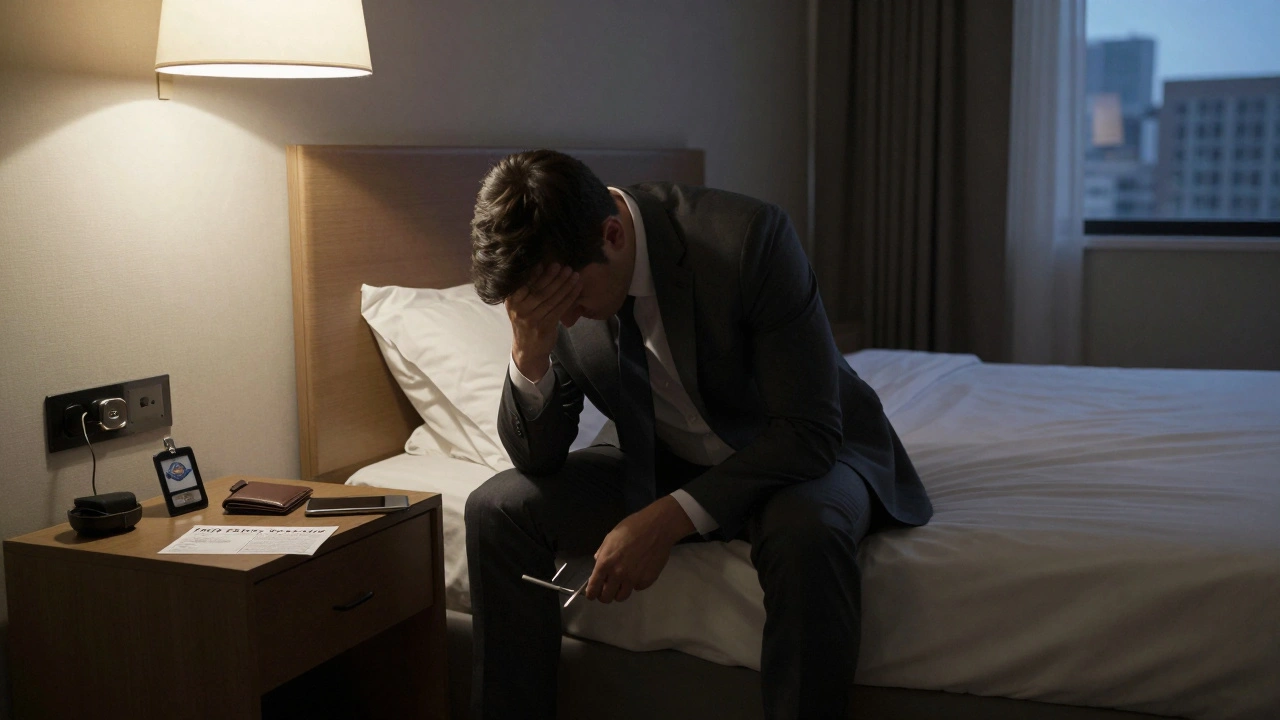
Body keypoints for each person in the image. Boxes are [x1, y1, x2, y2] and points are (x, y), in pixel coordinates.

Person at [465, 149, 932, 720]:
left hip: (795, 444)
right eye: (539, 311)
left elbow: (808, 431)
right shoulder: (552, 295)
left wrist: (670, 517)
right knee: (497, 509)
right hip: (658, 449)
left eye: (570, 302)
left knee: (806, 534)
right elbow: (539, 458)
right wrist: (527, 352)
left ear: (613, 235)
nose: (563, 320)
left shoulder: (746, 239)